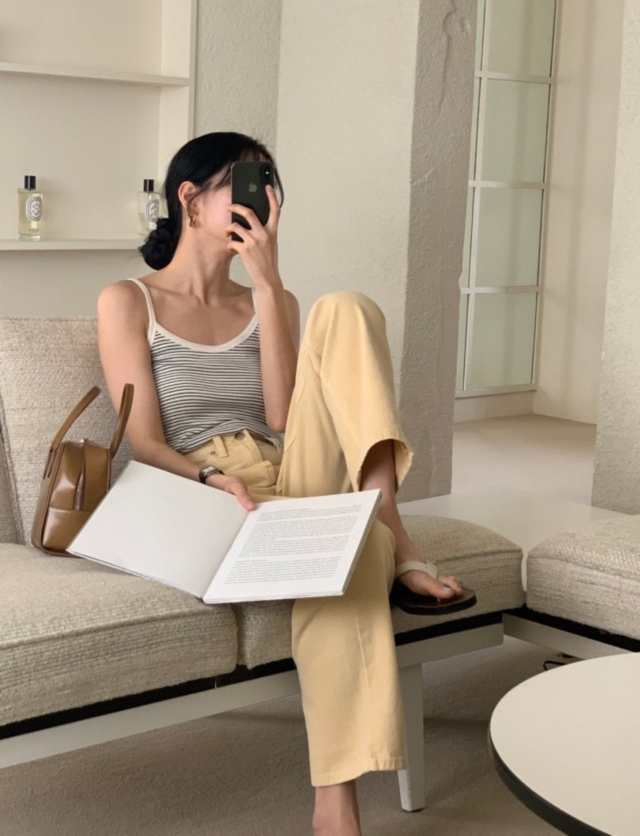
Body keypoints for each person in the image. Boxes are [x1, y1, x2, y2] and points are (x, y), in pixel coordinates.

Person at [96, 131, 464, 836]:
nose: (261, 198)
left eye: (268, 184)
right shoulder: (128, 300)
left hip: (290, 464)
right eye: (244, 182)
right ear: (190, 198)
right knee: (350, 550)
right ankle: (338, 807)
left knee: (347, 306)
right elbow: (145, 443)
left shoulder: (274, 299)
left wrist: (267, 285)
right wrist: (210, 476)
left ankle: (391, 523)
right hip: (211, 485)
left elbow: (284, 417)